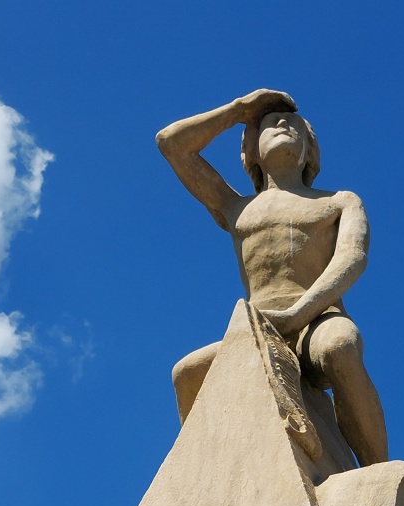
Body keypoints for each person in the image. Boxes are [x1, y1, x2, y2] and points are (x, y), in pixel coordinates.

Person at [156, 89, 388, 467]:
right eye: (269, 125)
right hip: (256, 329)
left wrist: (298, 314)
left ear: (310, 150)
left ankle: (376, 471)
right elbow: (171, 144)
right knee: (187, 373)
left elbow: (352, 258)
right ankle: (205, 469)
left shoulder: (339, 200)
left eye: (294, 125)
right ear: (251, 151)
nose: (282, 124)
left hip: (317, 319)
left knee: (340, 346)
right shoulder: (236, 209)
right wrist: (239, 110)